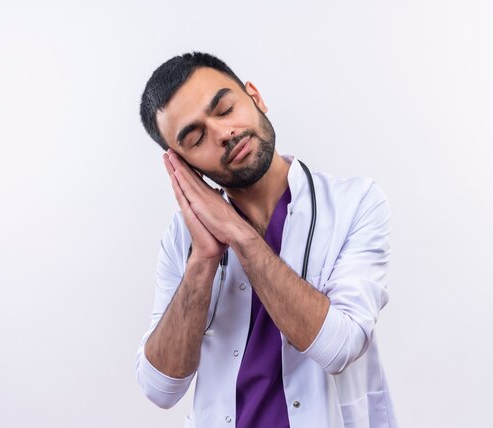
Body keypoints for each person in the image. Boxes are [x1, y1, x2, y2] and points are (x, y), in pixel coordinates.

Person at [135, 52, 398, 428]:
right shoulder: (183, 241)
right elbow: (159, 388)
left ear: (255, 97)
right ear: (184, 164)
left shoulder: (355, 203)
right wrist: (202, 262)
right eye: (196, 138)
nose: (223, 134)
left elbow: (341, 346)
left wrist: (239, 234)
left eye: (225, 109)